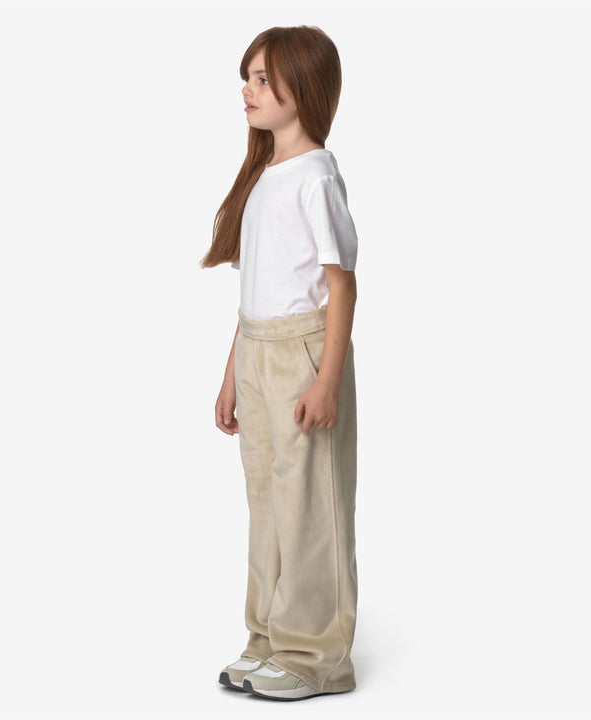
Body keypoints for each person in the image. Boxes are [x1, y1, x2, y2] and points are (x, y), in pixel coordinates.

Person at [200, 25, 360, 702]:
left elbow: (341, 285)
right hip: (258, 350)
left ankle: (317, 654)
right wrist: (231, 373)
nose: (249, 88)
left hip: (302, 354)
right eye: (249, 77)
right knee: (267, 502)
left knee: (308, 505)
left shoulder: (316, 175)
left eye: (263, 78)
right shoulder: (265, 176)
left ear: (305, 87)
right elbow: (254, 292)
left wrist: (327, 380)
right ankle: (269, 635)